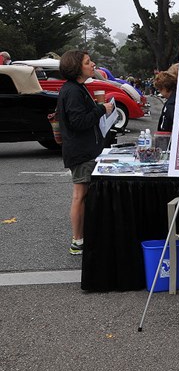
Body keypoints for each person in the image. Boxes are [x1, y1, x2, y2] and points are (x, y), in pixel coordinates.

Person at [57, 50, 114, 254]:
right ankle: (77, 241)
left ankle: (81, 237)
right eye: (88, 62)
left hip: (86, 150)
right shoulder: (72, 91)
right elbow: (78, 122)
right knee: (80, 195)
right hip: (81, 152)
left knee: (83, 194)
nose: (93, 65)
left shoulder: (77, 88)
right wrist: (101, 109)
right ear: (77, 68)